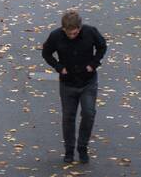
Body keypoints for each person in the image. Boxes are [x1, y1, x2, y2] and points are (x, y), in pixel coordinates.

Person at [41, 10, 107, 164]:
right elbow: (46, 53)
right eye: (69, 33)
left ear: (80, 27)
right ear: (63, 29)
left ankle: (82, 147)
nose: (72, 36)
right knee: (69, 117)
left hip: (87, 81)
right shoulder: (56, 36)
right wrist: (59, 67)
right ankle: (69, 151)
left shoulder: (90, 32)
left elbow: (102, 46)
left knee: (89, 113)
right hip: (68, 82)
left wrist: (94, 64)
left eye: (75, 33)